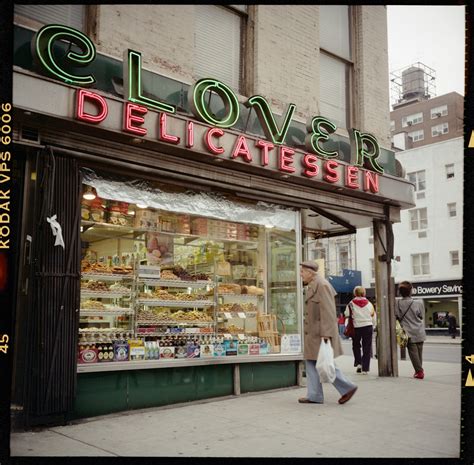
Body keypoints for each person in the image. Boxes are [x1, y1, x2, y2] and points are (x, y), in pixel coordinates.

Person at [298, 261, 357, 405]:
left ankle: (347, 387)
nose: (300, 274)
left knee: (326, 363)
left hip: (319, 333)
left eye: (302, 271)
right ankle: (314, 395)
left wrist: (326, 333)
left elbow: (329, 312)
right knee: (312, 362)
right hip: (313, 333)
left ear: (310, 273)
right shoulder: (313, 285)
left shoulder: (322, 285)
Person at [395, 280, 426, 379]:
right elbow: (421, 316)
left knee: (413, 353)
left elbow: (397, 316)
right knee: (419, 353)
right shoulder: (419, 302)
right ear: (411, 291)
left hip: (408, 332)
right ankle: (418, 370)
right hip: (419, 331)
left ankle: (419, 371)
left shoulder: (397, 302)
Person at [344, 286, 376, 374]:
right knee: (367, 347)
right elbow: (373, 316)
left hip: (356, 327)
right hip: (367, 326)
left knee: (356, 345)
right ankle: (365, 369)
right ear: (364, 293)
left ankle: (358, 363)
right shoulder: (369, 304)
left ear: (355, 293)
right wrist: (374, 324)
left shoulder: (351, 303)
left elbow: (347, 314)